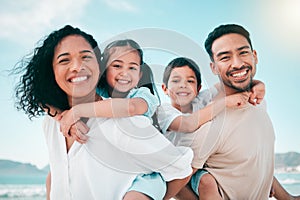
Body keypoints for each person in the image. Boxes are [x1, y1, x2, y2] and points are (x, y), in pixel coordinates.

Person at [13, 25, 194, 200]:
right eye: (64, 60)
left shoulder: (124, 122)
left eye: (85, 57)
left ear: (97, 67)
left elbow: (181, 169)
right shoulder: (52, 122)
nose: (77, 66)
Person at [163, 23, 280, 200]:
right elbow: (174, 182)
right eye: (225, 57)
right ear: (214, 67)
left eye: (243, 52)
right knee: (205, 181)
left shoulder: (257, 101)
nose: (238, 63)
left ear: (254, 55)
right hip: (180, 168)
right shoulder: (207, 121)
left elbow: (255, 161)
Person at [158, 56, 299, 200]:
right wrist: (225, 102)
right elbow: (188, 124)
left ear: (198, 88)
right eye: (176, 81)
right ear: (165, 89)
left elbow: (230, 85)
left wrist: (257, 84)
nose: (183, 85)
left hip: (206, 163)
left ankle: (287, 197)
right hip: (178, 171)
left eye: (190, 81)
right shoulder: (163, 111)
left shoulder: (201, 99)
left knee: (247, 160)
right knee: (206, 183)